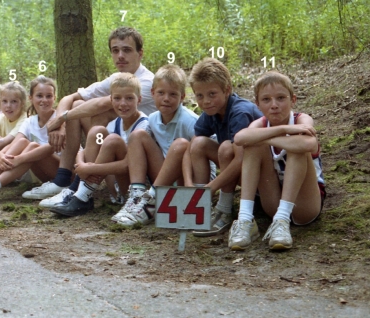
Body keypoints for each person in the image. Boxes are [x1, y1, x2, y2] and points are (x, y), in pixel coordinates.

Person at [23, 27, 157, 205]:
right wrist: (60, 124)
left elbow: (102, 103)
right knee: (78, 106)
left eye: (126, 50)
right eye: (115, 50)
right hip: (111, 143)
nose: (120, 56)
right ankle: (63, 180)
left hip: (137, 154)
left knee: (93, 111)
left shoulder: (146, 81)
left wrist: (63, 118)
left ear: (140, 53)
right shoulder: (117, 78)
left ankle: (77, 188)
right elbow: (70, 97)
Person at [228, 71, 325, 251]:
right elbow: (240, 138)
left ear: (292, 100)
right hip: (274, 200)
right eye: (266, 100)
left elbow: (310, 143)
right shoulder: (260, 123)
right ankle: (244, 220)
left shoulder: (301, 119)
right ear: (257, 104)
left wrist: (266, 138)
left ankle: (282, 221)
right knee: (253, 145)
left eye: (281, 98)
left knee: (298, 147)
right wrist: (283, 130)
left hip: (306, 203)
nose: (274, 105)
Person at [182, 58, 263, 237]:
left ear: (227, 90)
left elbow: (241, 159)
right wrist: (190, 185)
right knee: (199, 143)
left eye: (212, 94)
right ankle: (203, 207)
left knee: (226, 148)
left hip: (262, 175)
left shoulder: (240, 112)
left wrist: (211, 188)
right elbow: (192, 147)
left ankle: (224, 209)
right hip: (240, 169)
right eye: (200, 96)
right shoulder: (211, 112)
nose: (206, 101)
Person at [110, 65, 199, 225]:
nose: (166, 98)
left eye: (173, 94)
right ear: (152, 93)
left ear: (182, 97)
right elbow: (140, 151)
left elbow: (204, 155)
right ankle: (136, 197)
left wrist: (195, 186)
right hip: (163, 176)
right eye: (161, 93)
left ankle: (149, 205)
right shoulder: (152, 119)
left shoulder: (190, 121)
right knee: (137, 135)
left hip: (187, 180)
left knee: (180, 145)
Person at [50, 73, 149, 216]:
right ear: (111, 99)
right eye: (117, 98)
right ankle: (83, 194)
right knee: (98, 132)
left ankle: (82, 196)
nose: (123, 103)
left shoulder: (143, 125)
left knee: (112, 140)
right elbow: (84, 152)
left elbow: (128, 165)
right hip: (112, 183)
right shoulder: (116, 123)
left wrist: (92, 168)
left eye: (129, 98)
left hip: (129, 186)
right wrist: (82, 165)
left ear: (139, 100)